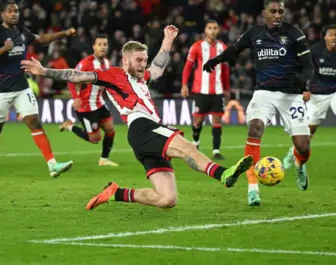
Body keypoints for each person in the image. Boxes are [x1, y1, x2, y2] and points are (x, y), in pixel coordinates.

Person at [21, 25, 253, 210]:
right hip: (142, 127)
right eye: (139, 60)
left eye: (145, 60)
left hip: (143, 137)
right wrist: (44, 72)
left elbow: (159, 67)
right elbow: (77, 75)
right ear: (125, 61)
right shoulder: (113, 75)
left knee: (167, 199)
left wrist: (168, 40)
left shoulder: (142, 78)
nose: (144, 65)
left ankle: (116, 193)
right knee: (186, 147)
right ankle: (224, 174)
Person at [203, 0, 314, 206]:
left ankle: (300, 165)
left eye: (281, 11)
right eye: (273, 11)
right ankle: (252, 189)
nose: (277, 15)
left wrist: (301, 78)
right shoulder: (255, 33)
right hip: (264, 93)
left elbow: (309, 66)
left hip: (291, 96)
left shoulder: (295, 34)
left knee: (303, 146)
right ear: (264, 13)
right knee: (254, 128)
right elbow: (235, 50)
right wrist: (217, 60)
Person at [0, 1, 77, 179]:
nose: (14, 14)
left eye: (16, 11)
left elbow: (41, 39)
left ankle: (53, 164)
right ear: (3, 14)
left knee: (35, 123)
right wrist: (4, 49)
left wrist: (64, 33)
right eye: (10, 11)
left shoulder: (22, 32)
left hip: (21, 87)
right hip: (0, 90)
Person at [283, 25, 336, 173]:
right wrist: (303, 89)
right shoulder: (315, 51)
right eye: (330, 35)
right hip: (317, 94)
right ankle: (290, 155)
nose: (334, 38)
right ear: (325, 37)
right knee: (309, 131)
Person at [59, 34, 119, 167]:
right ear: (93, 47)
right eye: (99, 44)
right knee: (95, 139)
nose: (102, 47)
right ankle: (69, 126)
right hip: (85, 106)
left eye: (105, 44)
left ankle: (104, 159)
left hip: (99, 102)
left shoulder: (107, 63)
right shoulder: (85, 63)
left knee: (110, 130)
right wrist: (76, 97)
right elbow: (70, 79)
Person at [181, 20, 230, 160]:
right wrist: (184, 85)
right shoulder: (197, 46)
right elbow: (188, 67)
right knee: (198, 121)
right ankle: (195, 144)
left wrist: (227, 89)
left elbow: (225, 70)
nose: (212, 31)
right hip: (201, 90)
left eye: (215, 28)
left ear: (218, 30)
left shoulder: (223, 48)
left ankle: (216, 151)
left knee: (217, 120)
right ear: (205, 30)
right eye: (210, 28)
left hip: (218, 90)